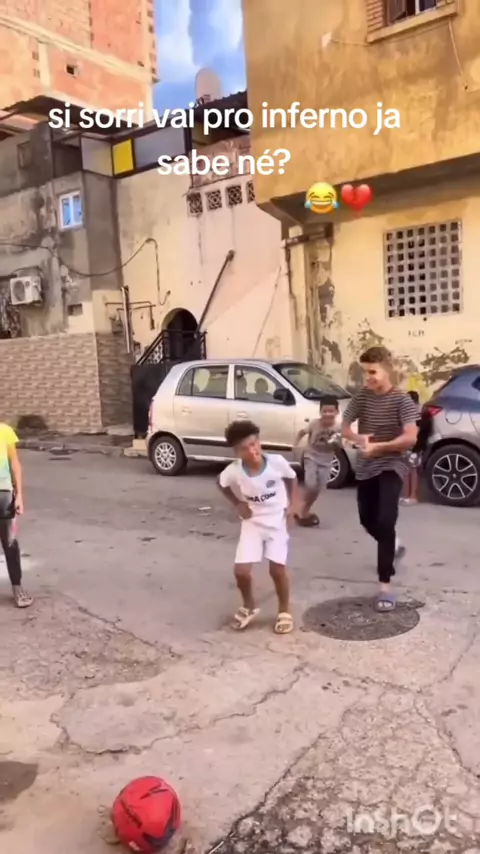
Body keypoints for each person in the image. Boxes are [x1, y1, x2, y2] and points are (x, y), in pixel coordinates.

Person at [341, 347, 418, 612]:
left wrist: (380, 447)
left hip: (392, 464)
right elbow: (345, 427)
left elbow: (410, 438)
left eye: (372, 372)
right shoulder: (363, 396)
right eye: (365, 372)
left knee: (386, 520)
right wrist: (358, 439)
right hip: (366, 466)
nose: (368, 378)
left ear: (387, 369)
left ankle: (386, 585)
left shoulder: (402, 400)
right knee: (367, 519)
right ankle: (393, 544)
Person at [217, 419, 299, 634]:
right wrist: (238, 503)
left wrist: (292, 507)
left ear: (259, 441)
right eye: (245, 448)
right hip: (252, 522)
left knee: (277, 570)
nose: (252, 451)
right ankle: (249, 606)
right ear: (237, 452)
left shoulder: (276, 462)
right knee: (241, 572)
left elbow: (292, 478)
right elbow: (221, 483)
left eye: (254, 444)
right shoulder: (234, 471)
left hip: (277, 521)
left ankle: (284, 610)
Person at [294, 395, 340, 526]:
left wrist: (337, 443)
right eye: (324, 411)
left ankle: (304, 510)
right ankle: (301, 508)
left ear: (337, 412)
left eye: (331, 411)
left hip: (326, 462)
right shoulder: (314, 424)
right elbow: (302, 432)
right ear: (320, 412)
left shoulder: (338, 428)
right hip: (311, 457)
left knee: (317, 489)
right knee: (311, 485)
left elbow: (340, 446)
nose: (327, 414)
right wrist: (295, 445)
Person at [0, 423, 32, 607]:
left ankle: (17, 587)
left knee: (10, 542)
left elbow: (15, 464)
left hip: (3, 494)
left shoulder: (5, 431)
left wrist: (19, 495)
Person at [401, 391, 422, 505]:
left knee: (412, 470)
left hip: (414, 447)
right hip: (408, 445)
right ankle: (406, 495)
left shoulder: (417, 414)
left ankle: (413, 496)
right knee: (406, 470)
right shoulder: (412, 413)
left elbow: (416, 431)